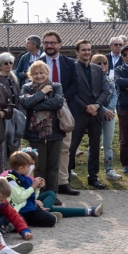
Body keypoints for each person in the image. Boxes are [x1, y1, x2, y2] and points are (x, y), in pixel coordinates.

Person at [65, 40, 112, 190]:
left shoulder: (97, 69)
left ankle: (93, 177)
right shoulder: (71, 68)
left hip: (96, 113)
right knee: (72, 146)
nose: (86, 52)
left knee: (95, 146)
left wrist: (97, 105)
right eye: (83, 50)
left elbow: (106, 91)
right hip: (79, 113)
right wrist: (86, 107)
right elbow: (70, 92)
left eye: (88, 50)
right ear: (77, 52)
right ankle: (66, 175)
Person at [39, 31, 80, 196]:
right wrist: (50, 101)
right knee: (44, 149)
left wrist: (60, 99)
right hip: (43, 111)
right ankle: (44, 184)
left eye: (52, 42)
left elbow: (75, 85)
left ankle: (63, 182)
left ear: (60, 44)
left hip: (65, 109)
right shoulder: (37, 63)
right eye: (46, 43)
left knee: (64, 148)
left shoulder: (69, 63)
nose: (49, 45)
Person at [20, 62, 66, 193]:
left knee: (53, 165)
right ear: (31, 75)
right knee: (39, 166)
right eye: (35, 73)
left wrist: (35, 102)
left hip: (55, 132)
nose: (39, 76)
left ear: (47, 73)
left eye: (42, 73)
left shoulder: (56, 86)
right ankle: (40, 194)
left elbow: (57, 103)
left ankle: (52, 193)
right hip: (35, 134)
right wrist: (42, 93)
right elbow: (25, 103)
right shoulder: (26, 88)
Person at [91, 54, 121, 180]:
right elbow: (91, 97)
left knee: (107, 144)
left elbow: (114, 94)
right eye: (99, 63)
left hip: (110, 115)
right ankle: (92, 172)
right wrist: (102, 110)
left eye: (104, 63)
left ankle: (109, 170)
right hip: (95, 114)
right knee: (94, 144)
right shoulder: (91, 80)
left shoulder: (110, 79)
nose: (102, 66)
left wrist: (110, 109)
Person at [112, 47, 128, 174]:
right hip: (124, 107)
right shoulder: (118, 69)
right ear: (122, 56)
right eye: (125, 54)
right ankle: (126, 164)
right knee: (124, 138)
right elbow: (118, 82)